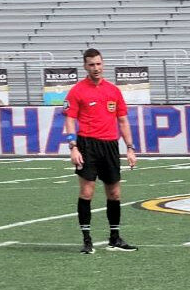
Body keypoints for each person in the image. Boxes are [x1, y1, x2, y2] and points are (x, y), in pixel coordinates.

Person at [64, 48, 138, 254]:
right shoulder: (77, 91)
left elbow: (122, 121)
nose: (95, 68)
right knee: (87, 192)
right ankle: (87, 239)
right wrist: (73, 147)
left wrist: (130, 148)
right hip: (87, 145)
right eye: (91, 65)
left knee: (114, 193)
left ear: (102, 64)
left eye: (98, 64)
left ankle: (115, 238)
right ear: (85, 66)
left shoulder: (113, 90)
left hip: (110, 146)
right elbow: (70, 119)